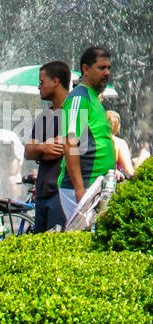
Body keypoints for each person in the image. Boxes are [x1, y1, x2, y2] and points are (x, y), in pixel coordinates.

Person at [58, 46, 116, 225]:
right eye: (101, 68)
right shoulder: (79, 98)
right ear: (85, 69)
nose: (106, 73)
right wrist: (80, 190)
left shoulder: (93, 98)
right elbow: (70, 143)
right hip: (83, 188)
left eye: (109, 68)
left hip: (97, 186)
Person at [25, 61, 70, 233]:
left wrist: (39, 150)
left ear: (56, 82)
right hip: (42, 193)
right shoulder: (43, 116)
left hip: (61, 194)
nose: (39, 87)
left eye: (42, 82)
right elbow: (28, 151)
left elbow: (60, 149)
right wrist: (43, 148)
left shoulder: (74, 113)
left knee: (56, 250)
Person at [105, 111, 134, 179]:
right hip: (112, 182)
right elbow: (130, 171)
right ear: (118, 126)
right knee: (145, 153)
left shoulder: (93, 141)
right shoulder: (119, 143)